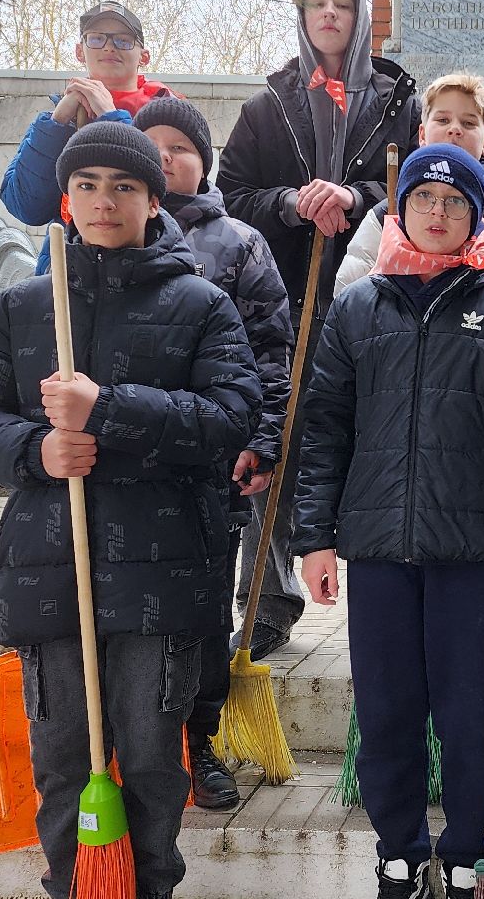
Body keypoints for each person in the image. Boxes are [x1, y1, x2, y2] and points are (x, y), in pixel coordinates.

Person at [0, 121, 260, 899]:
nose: (103, 201)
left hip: (163, 575)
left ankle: (147, 887)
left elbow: (231, 414)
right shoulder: (24, 307)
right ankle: (76, 888)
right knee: (61, 760)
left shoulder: (201, 304)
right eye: (86, 184)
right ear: (65, 196)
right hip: (52, 573)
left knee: (152, 759)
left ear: (156, 199)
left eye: (123, 186)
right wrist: (34, 451)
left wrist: (106, 407)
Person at [293, 143, 484, 899]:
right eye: (425, 199)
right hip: (380, 546)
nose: (439, 213)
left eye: (456, 203)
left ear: (476, 215)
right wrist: (313, 536)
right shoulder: (359, 306)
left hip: (473, 549)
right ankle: (398, 849)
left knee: (466, 712)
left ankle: (463, 851)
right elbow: (325, 426)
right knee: (387, 708)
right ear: (403, 208)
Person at [334, 72, 484, 811]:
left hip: (480, 460)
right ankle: (401, 802)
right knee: (396, 667)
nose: (456, 128)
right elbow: (351, 309)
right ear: (422, 129)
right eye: (442, 118)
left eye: (470, 121)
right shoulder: (382, 220)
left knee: (483, 629)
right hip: (393, 476)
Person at [219, 0, 419, 658]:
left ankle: (390, 592)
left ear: (361, 16)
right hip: (289, 297)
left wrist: (357, 197)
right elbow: (232, 192)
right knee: (274, 440)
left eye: (344, 3)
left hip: (374, 294)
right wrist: (290, 202)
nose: (330, 14)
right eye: (317, 4)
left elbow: (421, 185)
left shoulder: (399, 100)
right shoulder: (269, 104)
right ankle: (268, 598)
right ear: (302, 16)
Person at [130, 97, 297, 813]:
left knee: (200, 616)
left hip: (210, 473)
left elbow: (271, 356)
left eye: (181, 146)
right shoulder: (102, 241)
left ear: (205, 161)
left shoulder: (238, 244)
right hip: (124, 477)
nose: (167, 157)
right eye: (152, 146)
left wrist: (263, 439)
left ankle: (200, 740)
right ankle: (134, 743)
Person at [0, 1, 176, 272]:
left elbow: (172, 200)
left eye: (123, 40)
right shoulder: (55, 122)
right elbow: (26, 207)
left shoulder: (170, 115)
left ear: (144, 56)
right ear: (80, 51)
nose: (109, 47)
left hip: (144, 272)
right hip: (67, 275)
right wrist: (56, 124)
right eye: (97, 38)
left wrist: (111, 118)